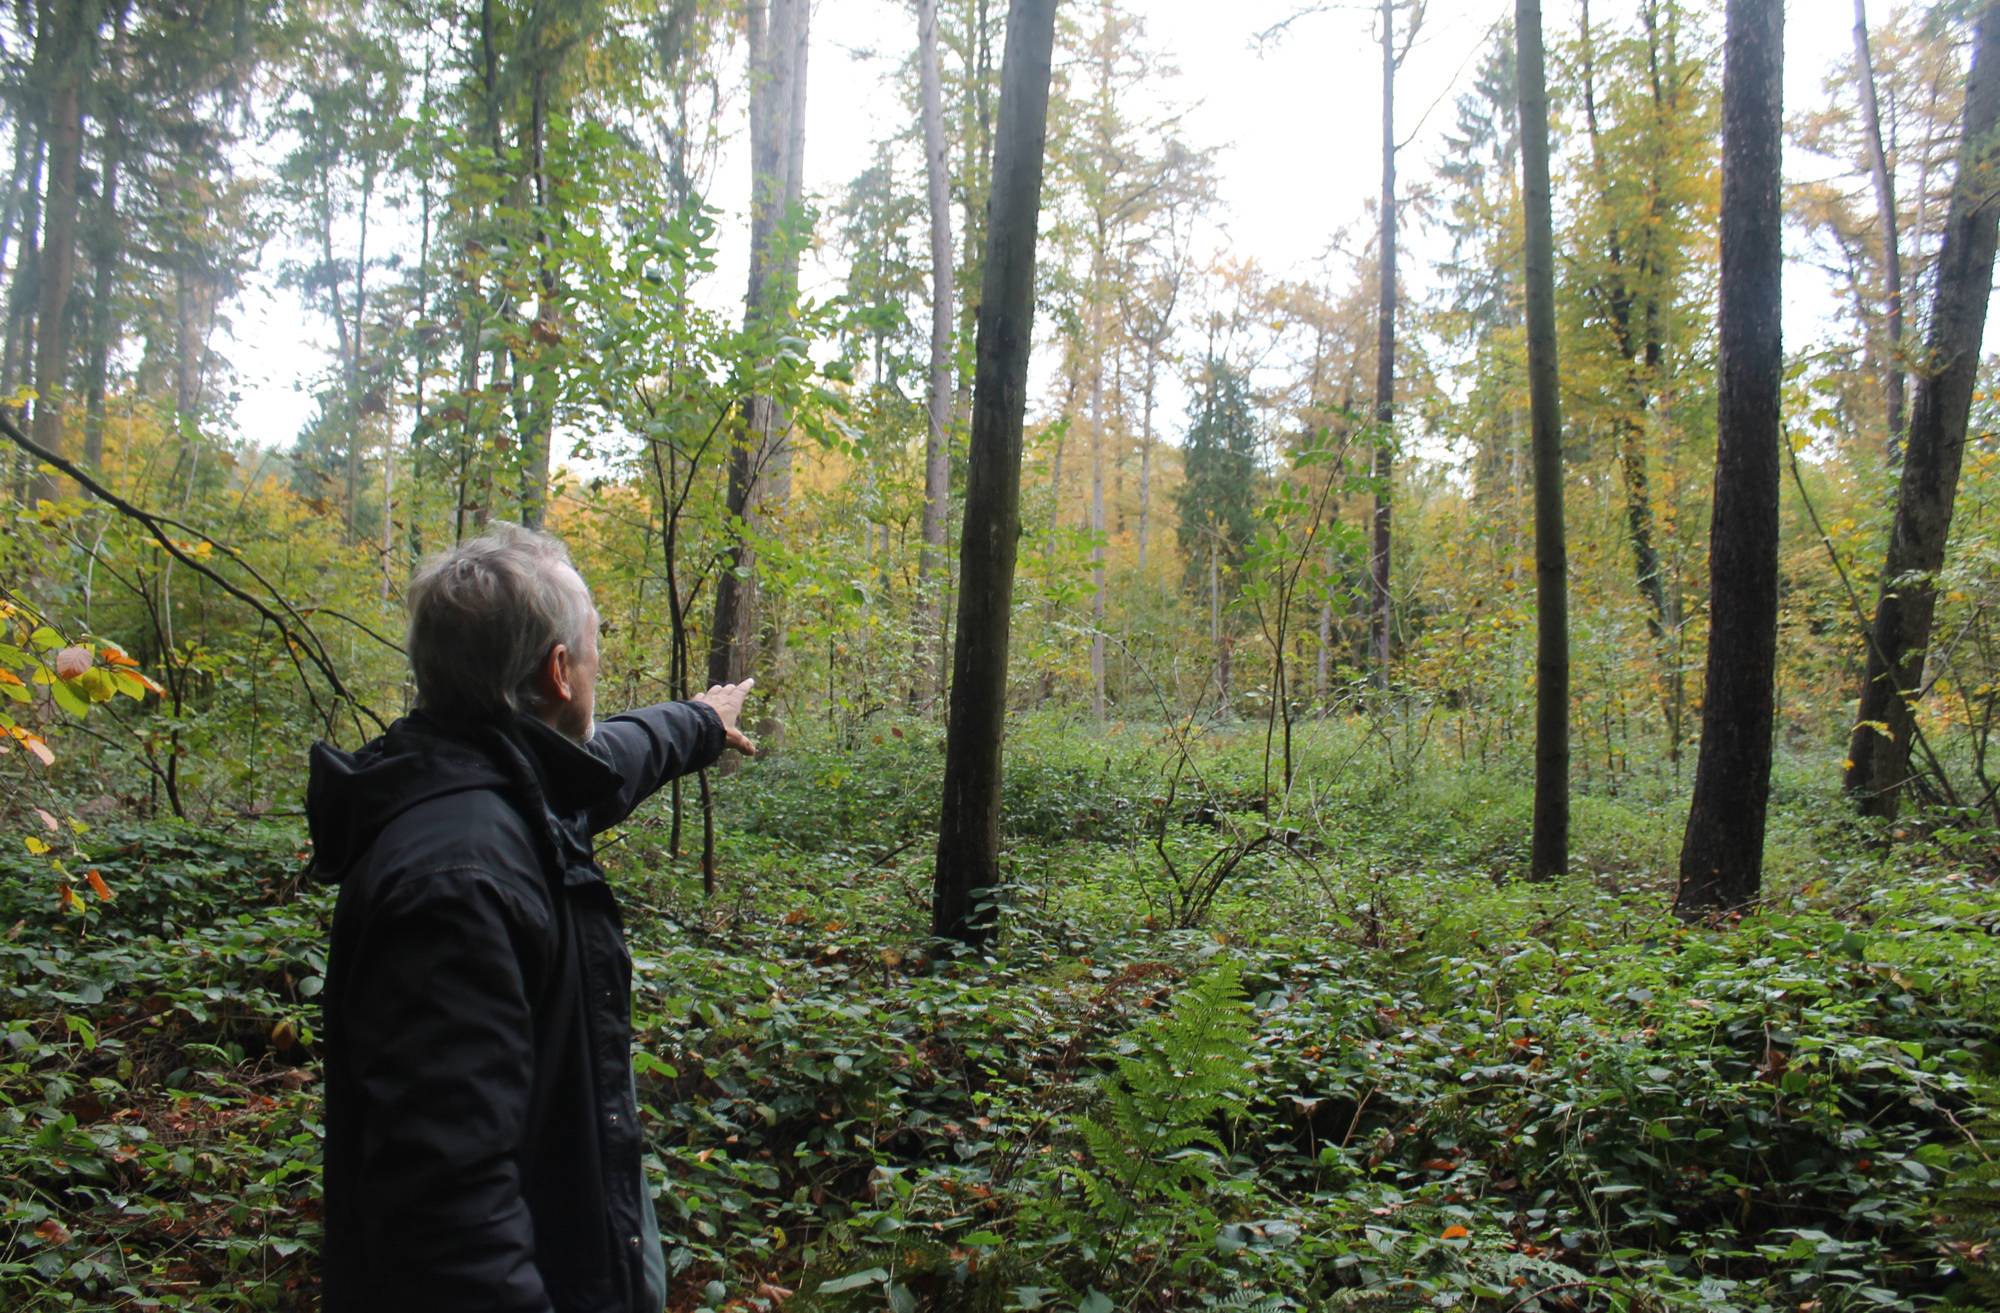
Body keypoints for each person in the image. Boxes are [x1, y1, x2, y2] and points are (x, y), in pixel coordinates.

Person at [307, 523, 754, 1313]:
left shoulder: (484, 783)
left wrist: (699, 721)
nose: (596, 668)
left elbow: (608, 761)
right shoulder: (460, 881)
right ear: (558, 671)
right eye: (590, 652)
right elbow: (449, 1220)